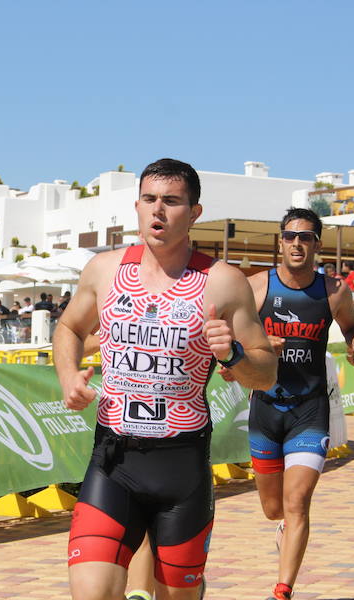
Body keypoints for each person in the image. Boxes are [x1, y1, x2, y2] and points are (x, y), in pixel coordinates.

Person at [55, 158, 277, 600]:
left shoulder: (222, 282)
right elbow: (68, 328)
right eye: (150, 200)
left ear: (194, 212)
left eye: (172, 201)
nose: (158, 211)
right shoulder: (104, 270)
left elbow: (265, 373)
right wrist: (67, 379)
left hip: (181, 468)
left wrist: (232, 353)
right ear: (136, 205)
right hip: (114, 460)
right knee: (91, 594)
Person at [228, 207, 354, 600]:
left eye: (305, 237)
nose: (296, 243)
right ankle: (282, 530)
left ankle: (283, 589)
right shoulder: (256, 287)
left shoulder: (334, 291)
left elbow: (352, 326)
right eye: (290, 236)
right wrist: (254, 346)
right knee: (274, 508)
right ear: (280, 241)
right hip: (266, 409)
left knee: (297, 502)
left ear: (316, 245)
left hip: (310, 410)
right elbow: (229, 338)